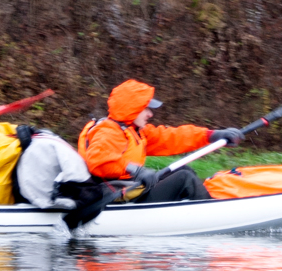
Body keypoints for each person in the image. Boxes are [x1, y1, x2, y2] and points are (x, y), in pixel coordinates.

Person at [77, 79, 243, 203]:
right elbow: (98, 161)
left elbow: (171, 137)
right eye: (146, 109)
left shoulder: (135, 131)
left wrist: (211, 135)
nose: (150, 114)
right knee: (184, 178)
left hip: (130, 189)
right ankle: (211, 212)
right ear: (132, 109)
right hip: (114, 196)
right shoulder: (107, 131)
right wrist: (137, 171)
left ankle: (201, 202)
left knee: (182, 170)